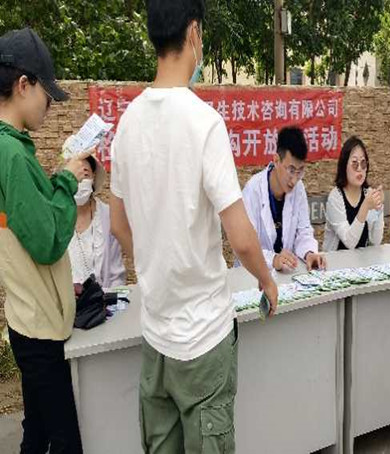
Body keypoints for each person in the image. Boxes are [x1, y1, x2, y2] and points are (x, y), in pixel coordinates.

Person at [108, 1, 278, 452]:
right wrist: (266, 281)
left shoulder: (127, 124)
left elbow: (119, 224)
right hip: (204, 338)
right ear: (194, 33)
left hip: (156, 337)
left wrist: (157, 260)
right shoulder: (204, 123)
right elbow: (241, 238)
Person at [0, 27, 89, 453]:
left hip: (28, 319)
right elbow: (48, 240)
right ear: (23, 85)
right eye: (46, 96)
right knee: (66, 442)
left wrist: (56, 182)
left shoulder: (13, 150)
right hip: (38, 330)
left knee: (36, 433)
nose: (49, 107)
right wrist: (68, 181)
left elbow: (28, 219)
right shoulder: (12, 155)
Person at [242, 126, 326, 271]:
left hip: (285, 274)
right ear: (276, 160)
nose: (294, 180)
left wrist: (309, 253)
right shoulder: (252, 191)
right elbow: (247, 246)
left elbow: (303, 231)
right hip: (252, 274)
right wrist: (273, 259)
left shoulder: (298, 188)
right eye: (291, 170)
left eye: (300, 171)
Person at [68, 155, 126, 288]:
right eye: (74, 175)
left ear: (93, 177)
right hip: (63, 300)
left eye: (85, 174)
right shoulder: (54, 217)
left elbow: (116, 274)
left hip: (101, 298)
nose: (79, 181)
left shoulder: (108, 217)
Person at [323, 136, 384, 251]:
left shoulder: (368, 194)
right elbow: (349, 242)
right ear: (344, 166)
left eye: (363, 163)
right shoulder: (335, 197)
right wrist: (365, 206)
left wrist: (379, 209)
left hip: (363, 260)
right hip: (337, 260)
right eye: (355, 163)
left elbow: (376, 241)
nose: (360, 168)